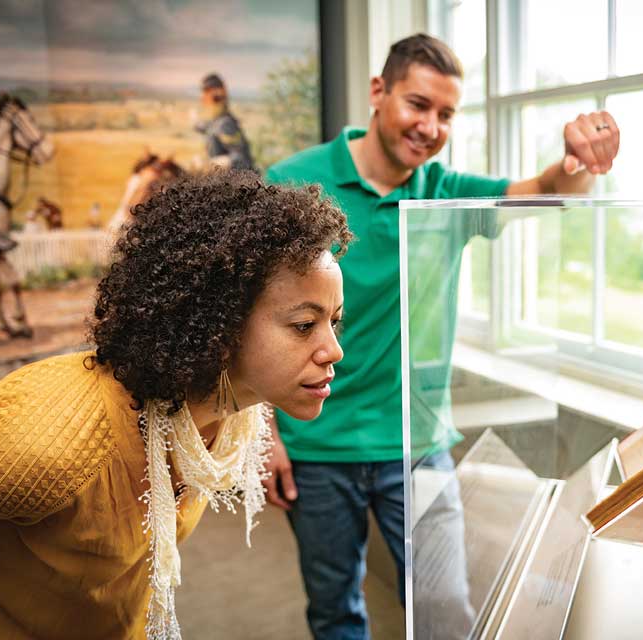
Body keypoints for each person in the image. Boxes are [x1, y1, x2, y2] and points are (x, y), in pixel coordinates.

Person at [264, 33, 620, 639]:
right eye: (418, 104)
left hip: (417, 444)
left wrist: (576, 163)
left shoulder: (444, 193)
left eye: (446, 114)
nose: (430, 126)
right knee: (335, 613)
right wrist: (263, 434)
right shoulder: (293, 184)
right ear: (378, 93)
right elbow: (253, 321)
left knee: (446, 611)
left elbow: (545, 193)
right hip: (316, 448)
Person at [0, 171, 352, 640]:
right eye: (303, 325)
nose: (333, 350)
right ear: (217, 318)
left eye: (333, 321)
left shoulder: (226, 415)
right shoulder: (48, 440)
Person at [193, 73, 255, 171]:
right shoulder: (215, 121)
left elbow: (242, 159)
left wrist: (213, 163)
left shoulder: (225, 123)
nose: (202, 97)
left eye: (205, 92)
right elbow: (205, 127)